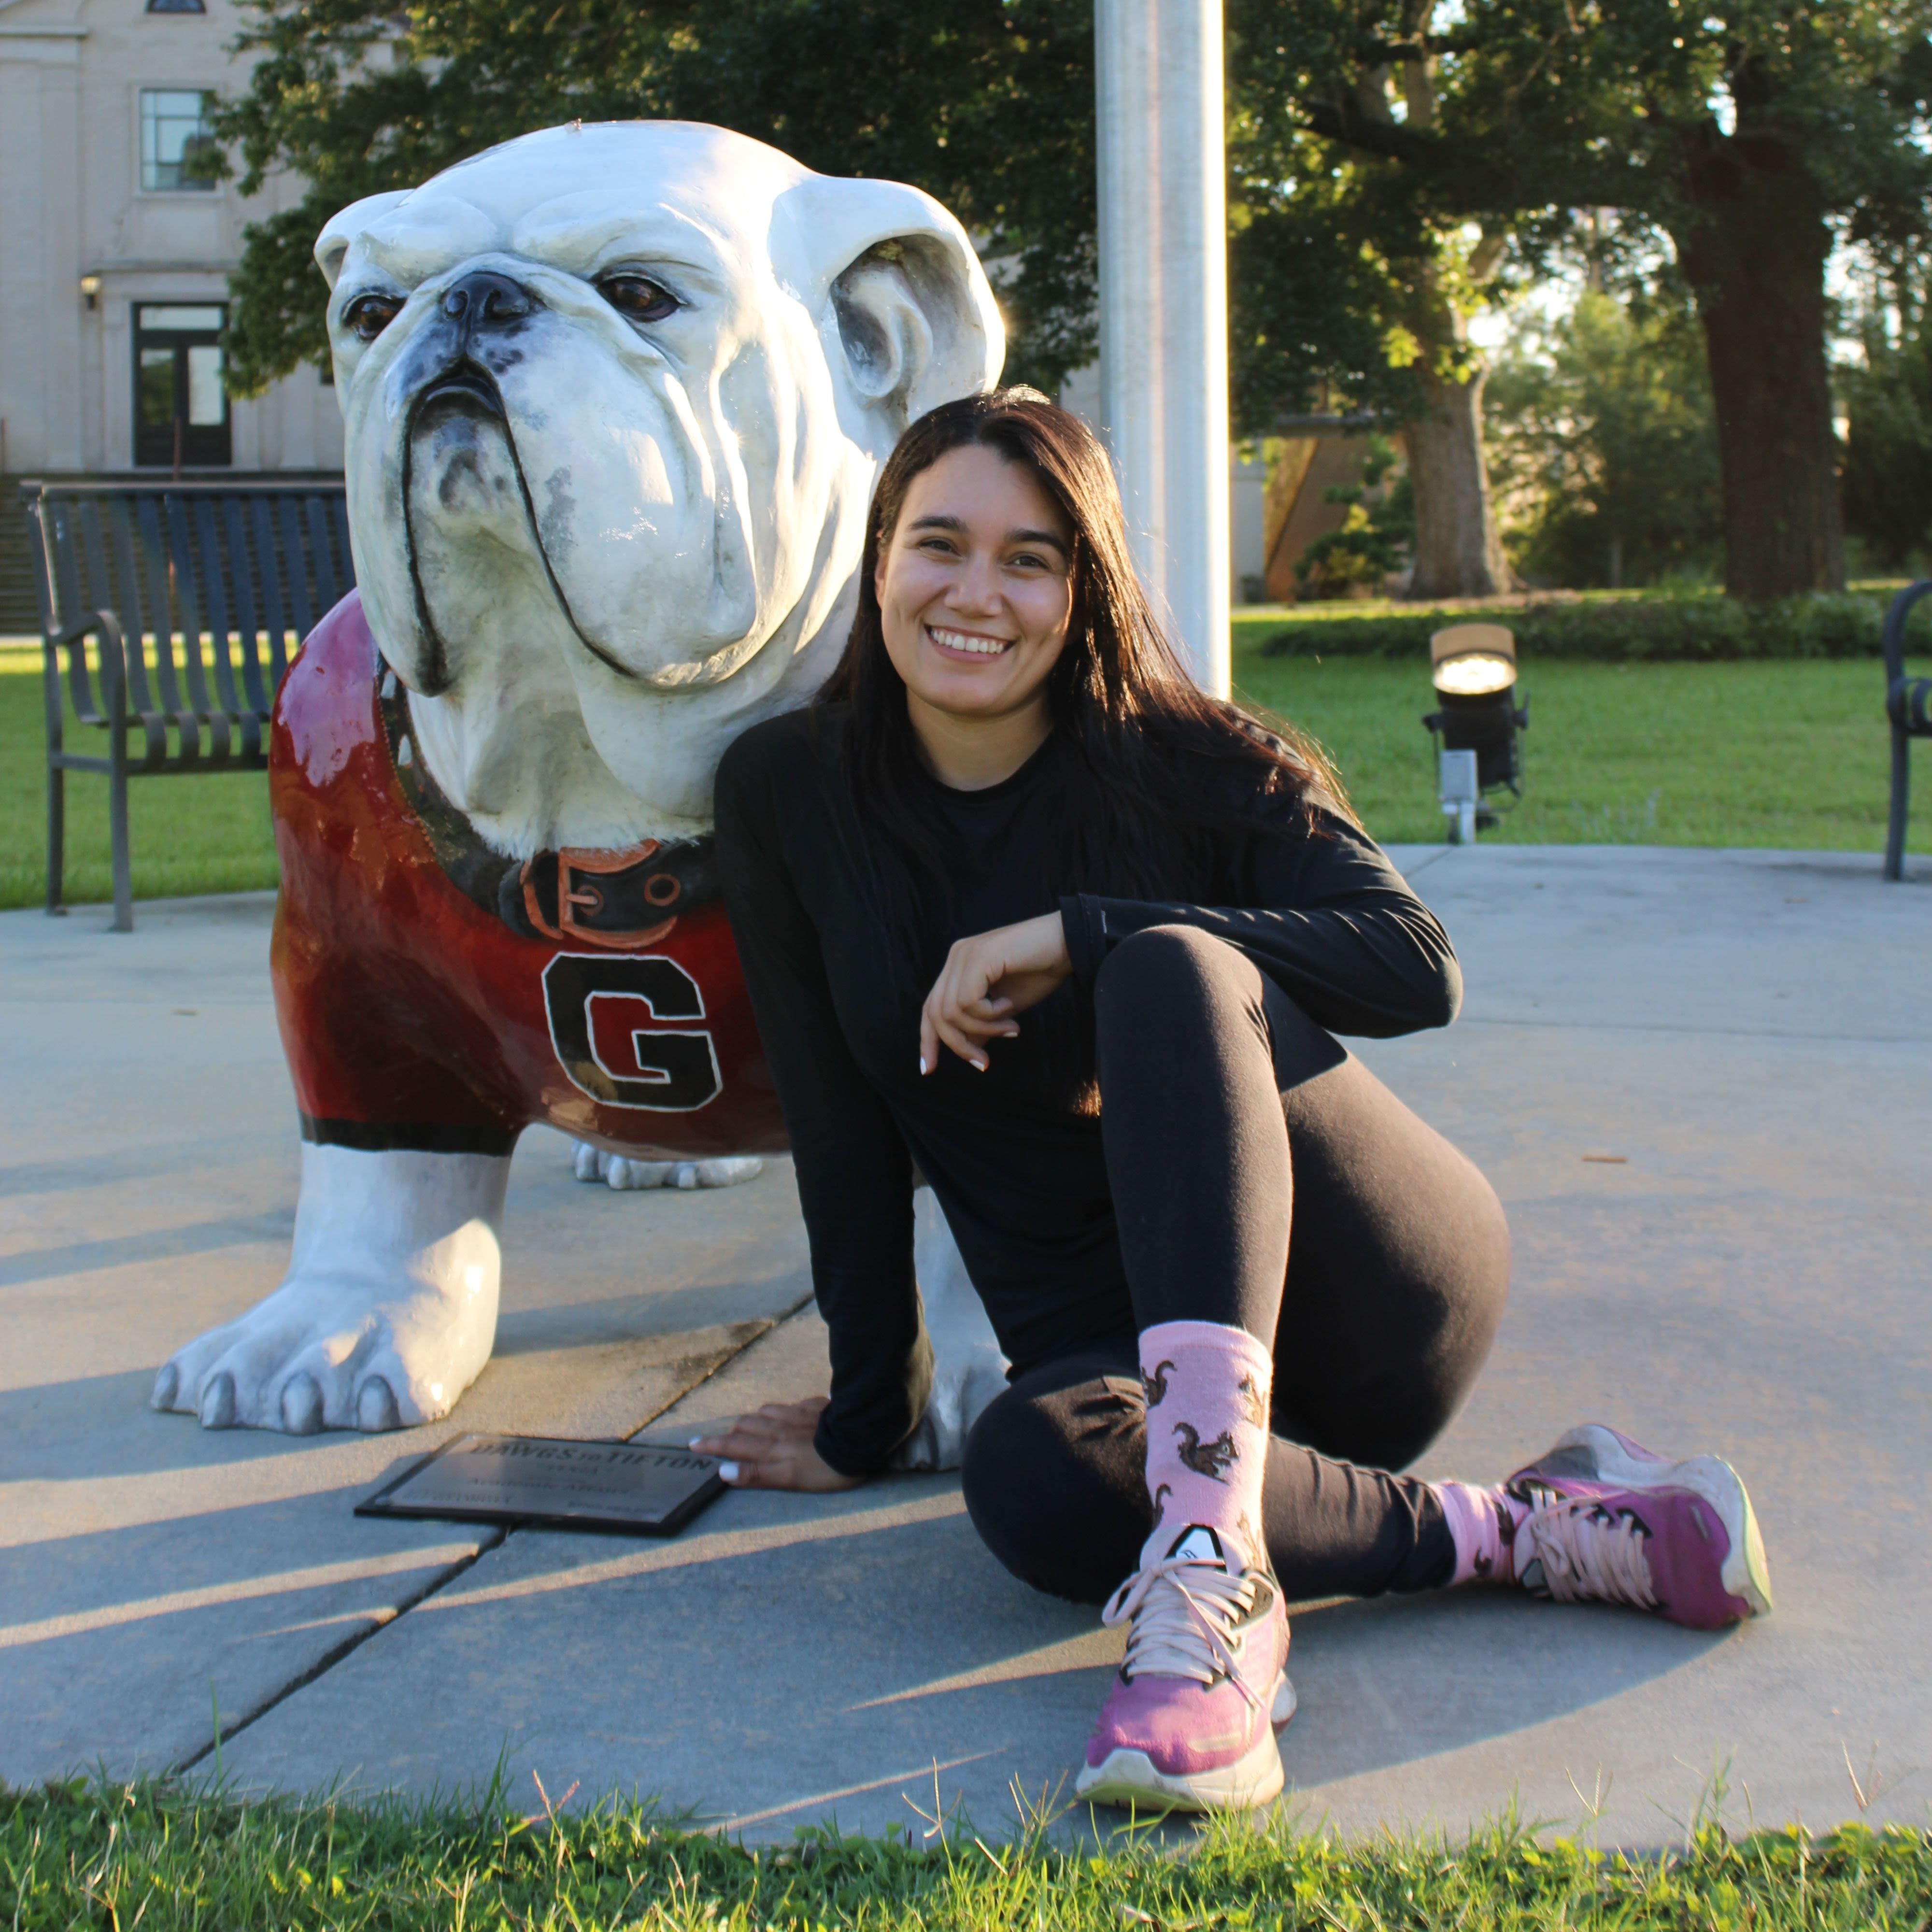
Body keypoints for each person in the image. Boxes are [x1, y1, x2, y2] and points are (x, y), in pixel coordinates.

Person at [700, 388, 1773, 1814]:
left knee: (1164, 971)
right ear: (879, 561)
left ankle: (1206, 1591)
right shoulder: (791, 791)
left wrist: (1083, 932)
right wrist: (862, 1415)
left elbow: (1418, 963)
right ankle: (1521, 1530)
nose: (977, 593)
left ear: (1086, 589)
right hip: (1122, 1360)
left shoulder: (1187, 760)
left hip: (1364, 1295)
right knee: (1022, 1477)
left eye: (1032, 559)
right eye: (937, 545)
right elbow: (838, 1122)